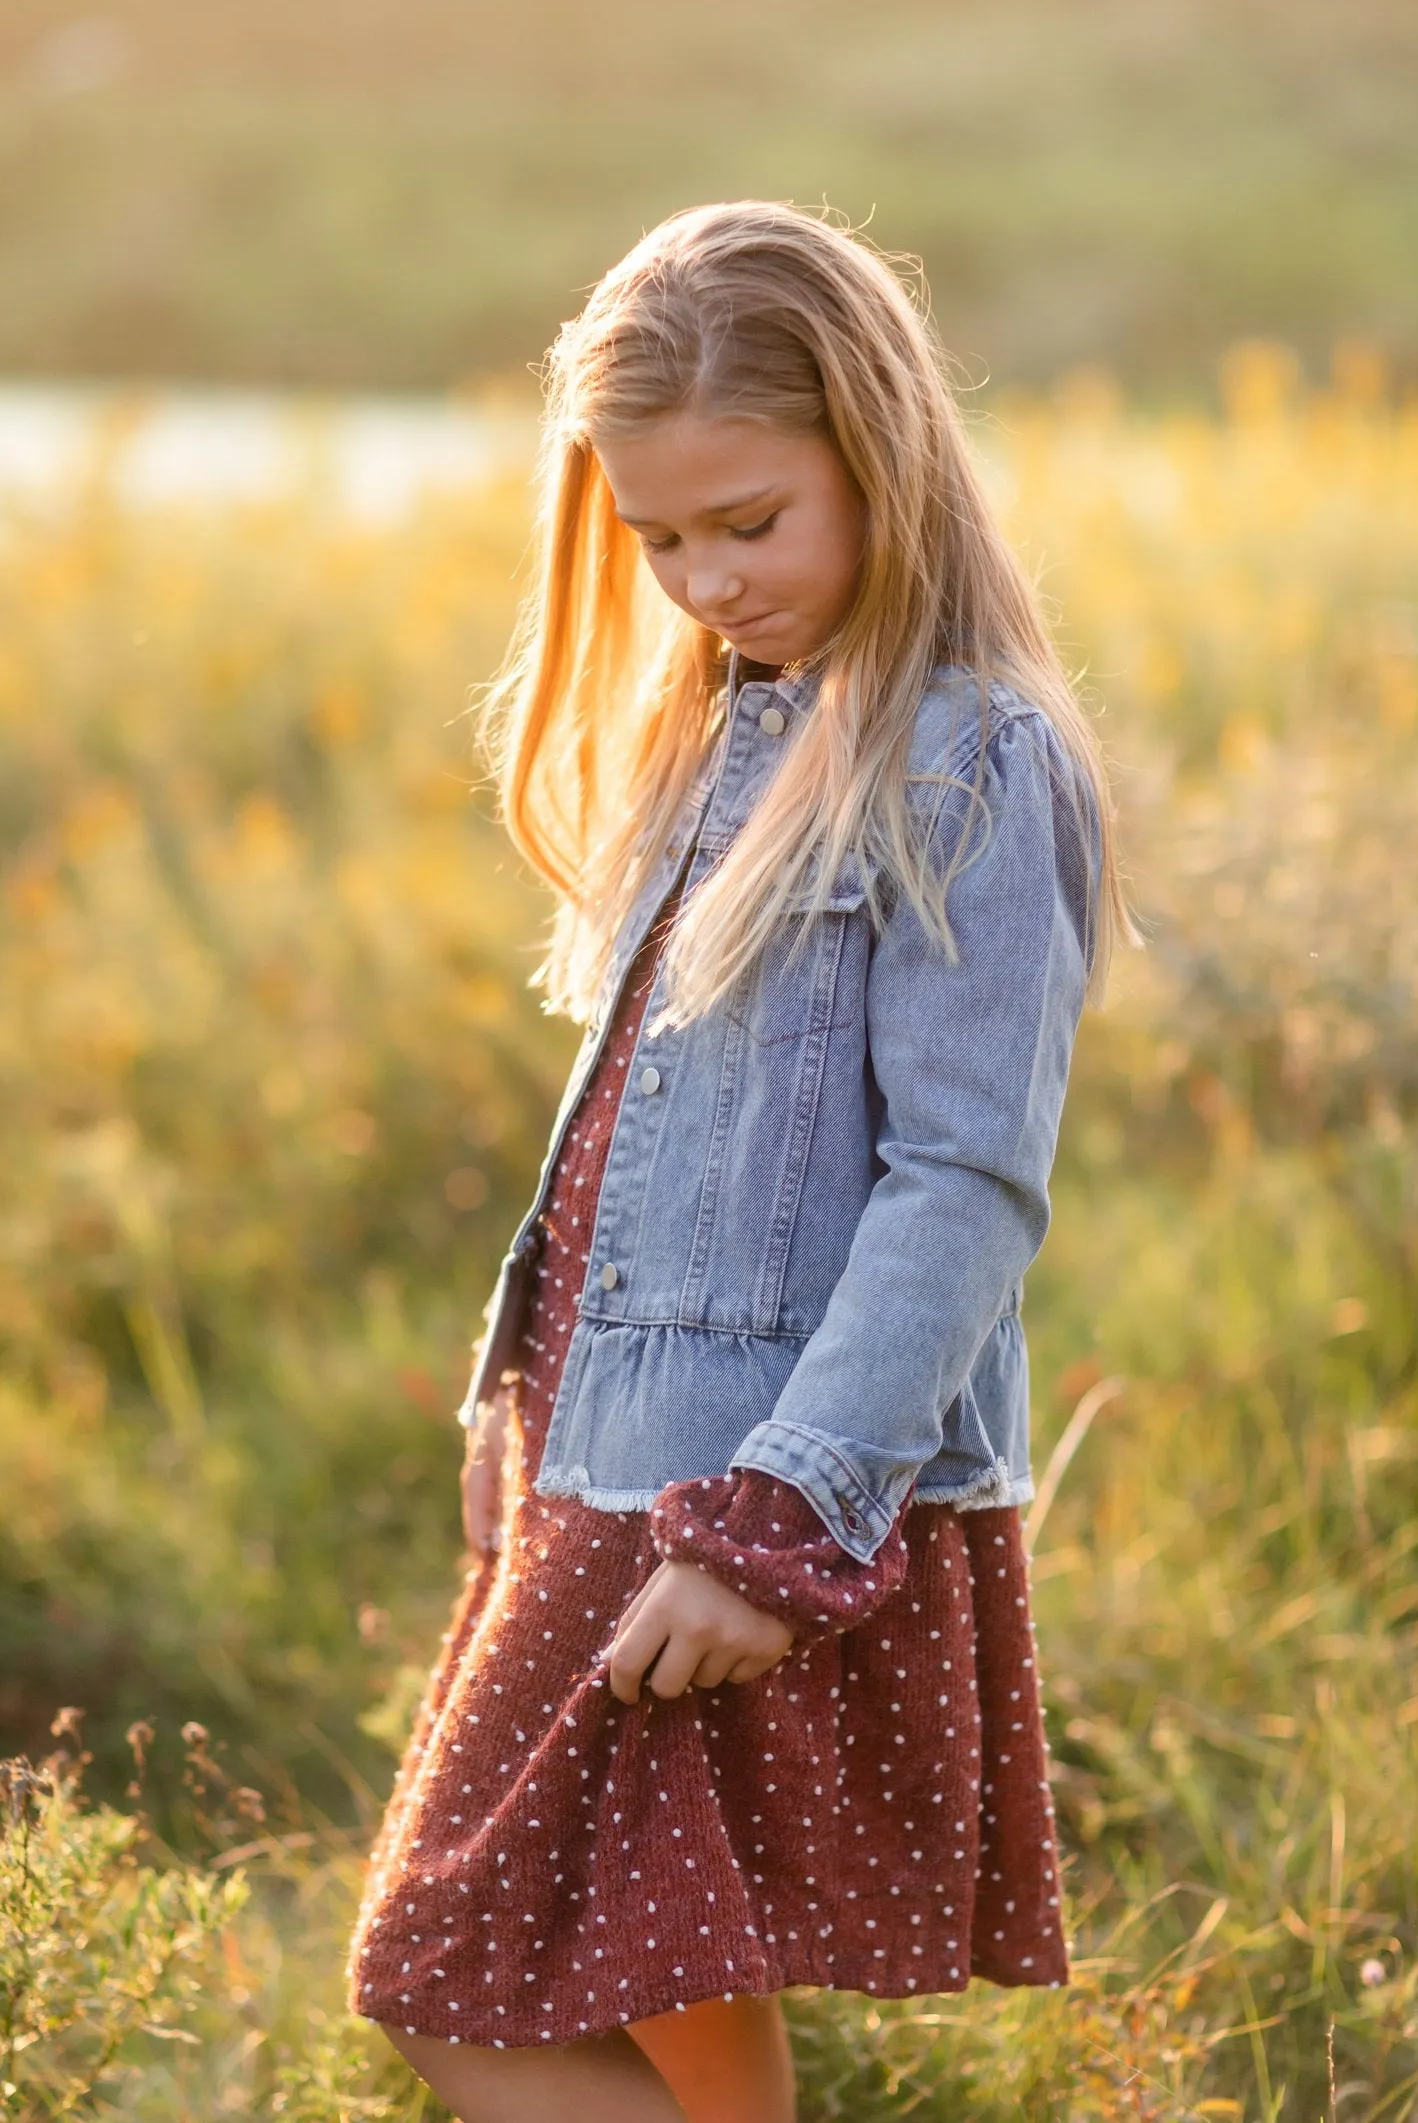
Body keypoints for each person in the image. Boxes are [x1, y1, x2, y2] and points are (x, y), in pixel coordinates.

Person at [348, 200, 1129, 2122]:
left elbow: (964, 1183)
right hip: (612, 1448)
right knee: (658, 1959)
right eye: (656, 537)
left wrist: (783, 1517)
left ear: (878, 453)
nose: (702, 577)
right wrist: (514, 1383)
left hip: (762, 1482)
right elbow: (633, 1121)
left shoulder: (962, 757)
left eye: (748, 521)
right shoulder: (724, 731)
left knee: (447, 1966)